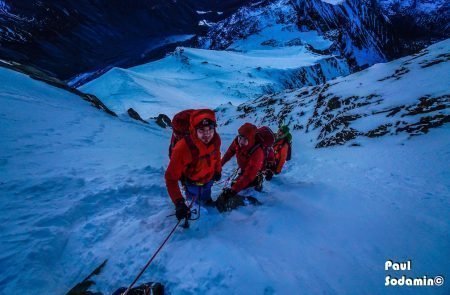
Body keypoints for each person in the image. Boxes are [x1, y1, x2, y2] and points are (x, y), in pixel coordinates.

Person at [165, 109, 221, 221]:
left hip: (209, 179)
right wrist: (179, 202)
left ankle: (206, 200)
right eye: (201, 130)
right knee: (193, 202)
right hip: (192, 182)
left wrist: (217, 171)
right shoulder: (183, 148)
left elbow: (217, 155)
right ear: (194, 130)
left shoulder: (216, 139)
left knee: (206, 192)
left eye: (210, 129)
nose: (207, 135)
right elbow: (171, 178)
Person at [220, 123, 265, 198]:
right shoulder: (237, 142)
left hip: (253, 172)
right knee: (235, 184)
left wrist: (233, 190)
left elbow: (249, 174)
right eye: (240, 138)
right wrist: (218, 166)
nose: (240, 142)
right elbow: (228, 153)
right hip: (244, 168)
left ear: (250, 140)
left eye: (245, 140)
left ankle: (257, 180)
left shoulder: (257, 152)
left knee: (236, 185)